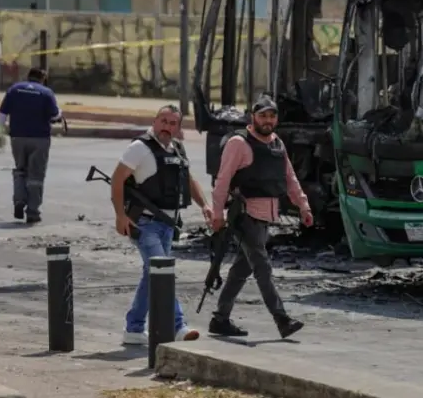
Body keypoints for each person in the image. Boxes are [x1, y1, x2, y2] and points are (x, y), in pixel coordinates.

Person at [208, 95, 314, 339]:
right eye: (262, 115)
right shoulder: (238, 143)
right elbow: (222, 181)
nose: (267, 120)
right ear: (252, 116)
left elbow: (290, 178)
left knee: (241, 270)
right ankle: (282, 319)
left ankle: (220, 318)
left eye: (272, 115)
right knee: (262, 267)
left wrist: (303, 206)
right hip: (245, 215)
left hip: (266, 215)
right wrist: (216, 215)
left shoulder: (276, 143)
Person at [110, 104, 212, 345]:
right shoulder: (139, 148)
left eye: (172, 123)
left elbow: (188, 179)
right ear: (155, 122)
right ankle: (178, 326)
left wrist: (205, 205)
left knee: (153, 275)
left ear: (178, 127)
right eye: (163, 121)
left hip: (168, 224)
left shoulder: (176, 148)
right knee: (164, 275)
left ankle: (133, 329)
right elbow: (117, 179)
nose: (167, 127)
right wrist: (119, 216)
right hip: (144, 223)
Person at [0, 67, 60, 224]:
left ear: (28, 76)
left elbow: (2, 113)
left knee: (20, 170)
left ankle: (19, 199)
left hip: (17, 137)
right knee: (36, 175)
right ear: (43, 78)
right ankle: (32, 212)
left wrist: (1, 129)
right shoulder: (46, 93)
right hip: (40, 139)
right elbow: (54, 115)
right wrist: (60, 113)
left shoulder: (15, 89)